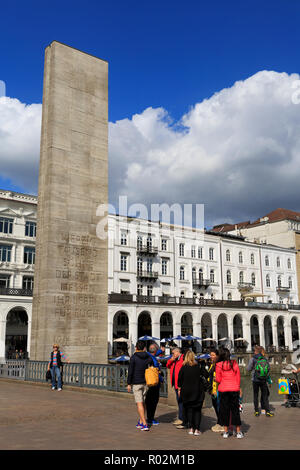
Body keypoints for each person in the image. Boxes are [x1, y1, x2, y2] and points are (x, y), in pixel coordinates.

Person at [215, 348, 244, 439]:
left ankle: (226, 432)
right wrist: (238, 387)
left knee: (225, 411)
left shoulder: (218, 365)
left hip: (223, 389)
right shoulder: (234, 363)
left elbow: (218, 379)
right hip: (234, 389)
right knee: (235, 410)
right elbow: (238, 377)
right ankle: (238, 432)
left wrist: (216, 379)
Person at [177, 351, 208, 436]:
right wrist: (203, 365)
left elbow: (179, 380)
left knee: (189, 410)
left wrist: (179, 389)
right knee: (197, 410)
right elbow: (206, 374)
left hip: (186, 392)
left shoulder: (183, 367)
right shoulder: (198, 366)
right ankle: (197, 429)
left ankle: (191, 428)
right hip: (198, 391)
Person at [127, 340, 154, 431]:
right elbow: (152, 365)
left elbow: (130, 371)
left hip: (137, 382)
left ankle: (145, 424)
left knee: (139, 403)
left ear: (136, 348)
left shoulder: (134, 357)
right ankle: (141, 421)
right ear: (144, 348)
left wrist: (128, 383)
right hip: (146, 382)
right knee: (143, 402)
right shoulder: (148, 356)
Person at [247, 345, 274, 417]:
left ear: (255, 351)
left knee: (255, 395)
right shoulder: (265, 358)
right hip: (263, 379)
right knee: (265, 395)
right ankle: (267, 411)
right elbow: (268, 369)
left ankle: (256, 411)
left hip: (255, 379)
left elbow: (248, 369)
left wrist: (253, 368)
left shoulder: (252, 359)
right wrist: (268, 380)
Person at [145, 343, 163, 426]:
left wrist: (160, 350)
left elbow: (153, 352)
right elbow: (156, 371)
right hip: (154, 382)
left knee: (149, 400)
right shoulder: (153, 359)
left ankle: (150, 417)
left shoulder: (147, 355)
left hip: (147, 381)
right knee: (153, 401)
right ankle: (150, 418)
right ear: (155, 351)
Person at [166, 347, 185, 427]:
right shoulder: (175, 360)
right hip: (176, 384)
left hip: (181, 385)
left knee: (182, 401)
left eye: (173, 353)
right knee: (179, 401)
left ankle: (182, 419)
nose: (172, 354)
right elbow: (167, 365)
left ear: (178, 352)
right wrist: (171, 359)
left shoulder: (183, 359)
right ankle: (181, 418)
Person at [208, 348, 225, 433]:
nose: (211, 356)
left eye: (213, 355)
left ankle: (221, 424)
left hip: (217, 390)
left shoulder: (218, 365)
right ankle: (219, 422)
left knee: (219, 407)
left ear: (218, 356)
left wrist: (215, 390)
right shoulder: (212, 364)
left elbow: (218, 378)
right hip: (212, 389)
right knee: (215, 406)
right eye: (211, 355)